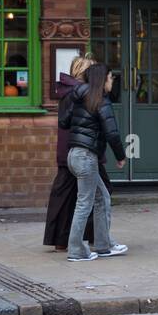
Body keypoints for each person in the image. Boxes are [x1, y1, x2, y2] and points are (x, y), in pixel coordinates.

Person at [59, 62, 128, 262]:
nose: (112, 81)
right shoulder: (101, 100)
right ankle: (76, 250)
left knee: (102, 198)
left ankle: (103, 245)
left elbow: (63, 121)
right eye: (111, 77)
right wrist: (121, 156)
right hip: (86, 157)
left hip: (74, 154)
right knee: (85, 203)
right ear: (103, 79)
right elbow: (112, 132)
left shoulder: (78, 95)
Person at [43, 55, 113, 251]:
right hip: (82, 150)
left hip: (74, 150)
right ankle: (89, 241)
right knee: (92, 197)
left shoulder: (72, 91)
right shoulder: (80, 93)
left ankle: (76, 240)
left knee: (72, 197)